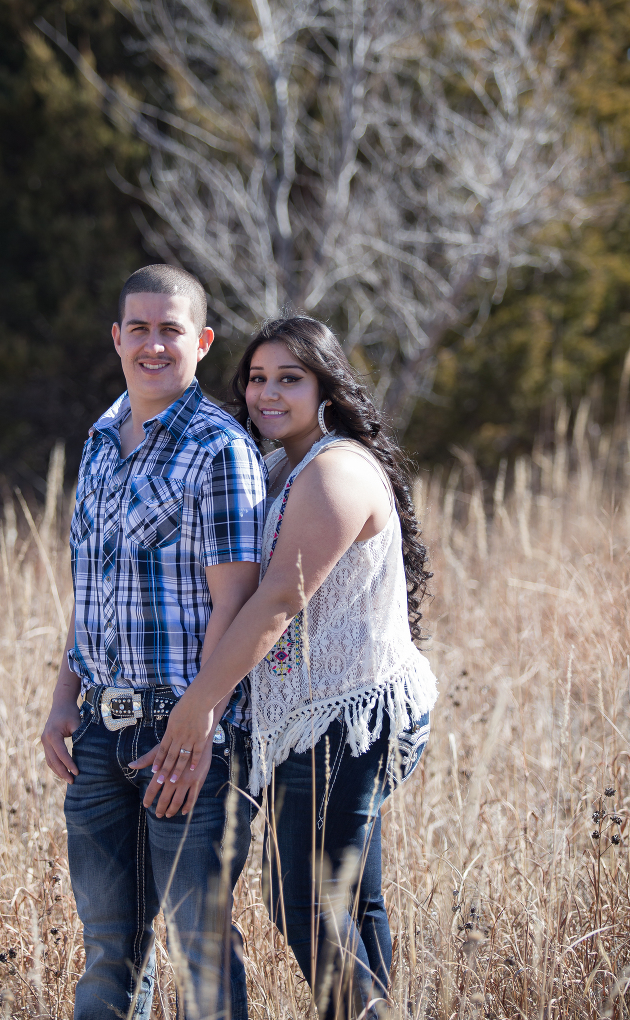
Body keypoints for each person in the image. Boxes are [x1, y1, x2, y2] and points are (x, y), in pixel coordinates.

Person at [144, 315, 438, 1018]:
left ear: (325, 388)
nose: (267, 394)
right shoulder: (284, 462)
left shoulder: (334, 471)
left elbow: (277, 600)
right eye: (256, 378)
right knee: (348, 896)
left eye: (289, 379)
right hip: (324, 714)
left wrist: (199, 705)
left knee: (299, 895)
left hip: (349, 716)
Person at [41, 265, 266, 1020]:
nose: (153, 344)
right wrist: (61, 703)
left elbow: (234, 605)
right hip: (102, 734)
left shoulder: (219, 449)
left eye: (170, 329)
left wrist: (198, 726)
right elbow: (89, 589)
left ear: (201, 342)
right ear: (116, 337)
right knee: (109, 952)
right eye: (138, 327)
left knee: (200, 946)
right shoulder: (100, 443)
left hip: (185, 735)